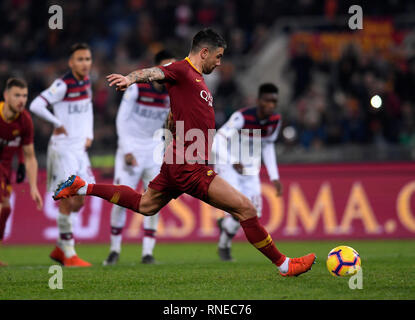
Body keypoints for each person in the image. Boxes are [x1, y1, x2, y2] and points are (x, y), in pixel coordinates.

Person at [54, 29, 315, 277]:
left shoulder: (196, 80)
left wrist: (174, 127)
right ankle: (284, 265)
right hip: (190, 165)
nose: (220, 62)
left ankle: (81, 186)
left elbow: (179, 114)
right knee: (246, 208)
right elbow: (154, 72)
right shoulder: (182, 69)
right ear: (204, 52)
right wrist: (130, 78)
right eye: (218, 56)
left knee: (145, 205)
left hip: (179, 161)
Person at [103, 50, 176, 266]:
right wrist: (126, 149)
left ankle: (147, 253)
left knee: (156, 199)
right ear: (155, 70)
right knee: (120, 198)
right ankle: (114, 250)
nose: (167, 73)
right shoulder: (138, 89)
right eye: (164, 68)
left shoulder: (173, 93)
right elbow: (121, 119)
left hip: (154, 150)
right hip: (131, 149)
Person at [29, 43, 94, 267]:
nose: (85, 63)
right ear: (71, 62)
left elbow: (88, 108)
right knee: (67, 197)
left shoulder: (85, 81)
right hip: (63, 148)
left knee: (82, 199)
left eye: (87, 59)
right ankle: (69, 252)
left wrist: (89, 134)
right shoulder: (63, 84)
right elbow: (36, 105)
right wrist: (57, 123)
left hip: (79, 149)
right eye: (80, 59)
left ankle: (59, 247)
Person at [212, 83, 283, 261]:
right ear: (259, 101)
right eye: (267, 101)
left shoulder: (275, 121)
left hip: (250, 168)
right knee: (239, 210)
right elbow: (217, 141)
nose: (271, 105)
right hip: (227, 164)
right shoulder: (241, 117)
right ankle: (224, 247)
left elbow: (267, 146)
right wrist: (232, 160)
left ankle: (225, 226)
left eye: (274, 101)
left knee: (254, 213)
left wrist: (274, 176)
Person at [0, 78, 43, 266]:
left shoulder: (25, 121)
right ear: (6, 96)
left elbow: (31, 156)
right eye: (17, 95)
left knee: (6, 207)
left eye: (24, 96)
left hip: (4, 169)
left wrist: (33, 187)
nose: (21, 100)